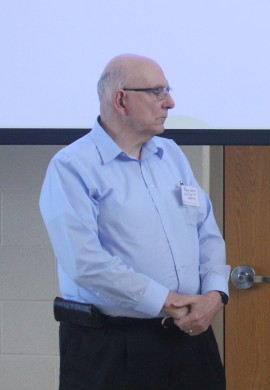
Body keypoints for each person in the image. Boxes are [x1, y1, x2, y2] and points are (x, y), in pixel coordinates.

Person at [39, 54, 230, 390]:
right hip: (113, 345)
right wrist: (169, 301)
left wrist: (215, 294)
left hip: (189, 338)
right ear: (121, 100)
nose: (169, 102)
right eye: (157, 92)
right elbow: (85, 262)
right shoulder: (72, 166)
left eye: (167, 90)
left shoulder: (170, 154)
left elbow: (206, 232)